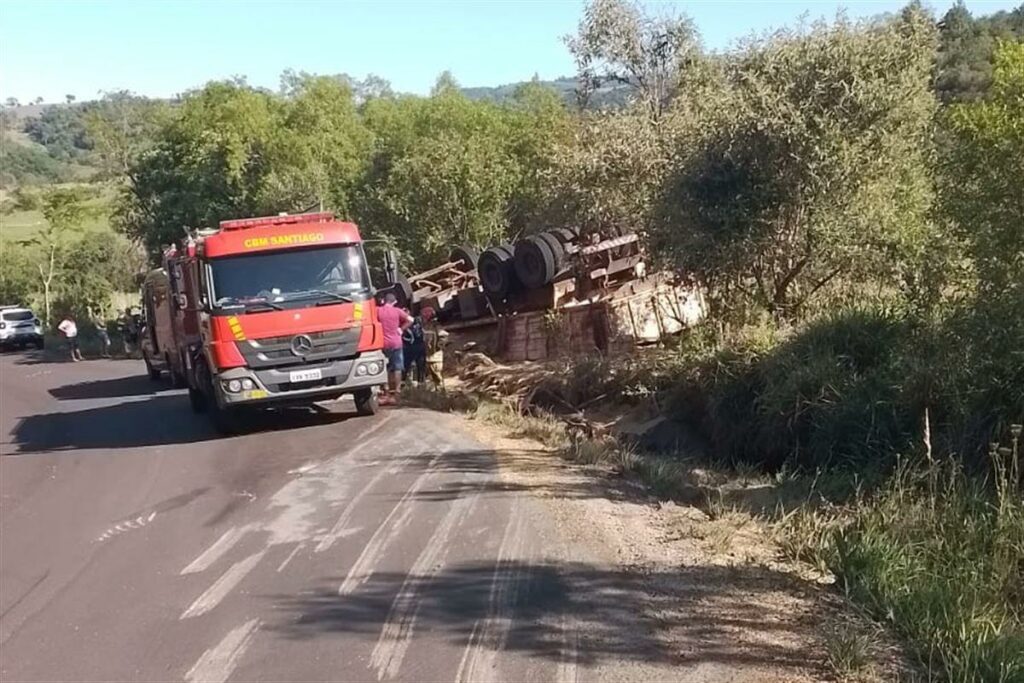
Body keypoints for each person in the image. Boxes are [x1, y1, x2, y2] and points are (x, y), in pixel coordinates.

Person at [376, 292, 412, 404]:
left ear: (384, 301)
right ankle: (397, 392)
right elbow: (411, 320)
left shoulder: (378, 310)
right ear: (394, 302)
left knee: (384, 368)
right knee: (397, 368)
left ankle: (385, 392)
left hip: (382, 344)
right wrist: (401, 329)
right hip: (396, 343)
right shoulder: (397, 311)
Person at [421, 306, 449, 388]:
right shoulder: (423, 326)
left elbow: (444, 337)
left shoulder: (436, 326)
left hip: (435, 357)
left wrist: (438, 347)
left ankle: (441, 395)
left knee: (438, 378)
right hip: (426, 357)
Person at [402, 312, 426, 384]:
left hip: (411, 347)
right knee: (420, 366)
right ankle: (421, 383)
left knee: (406, 366)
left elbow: (405, 338)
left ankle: (404, 382)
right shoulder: (418, 323)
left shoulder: (405, 326)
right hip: (418, 346)